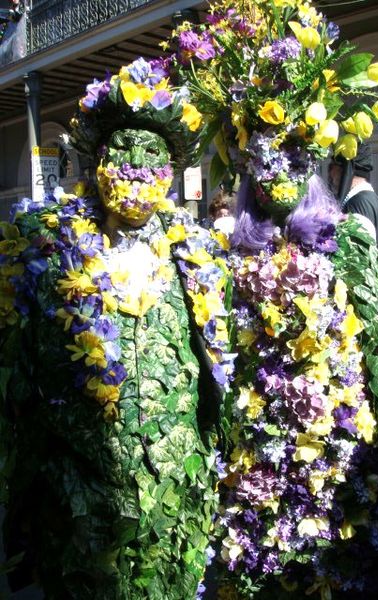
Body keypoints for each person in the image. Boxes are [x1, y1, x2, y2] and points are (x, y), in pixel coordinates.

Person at [173, 2, 378, 598]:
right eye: (262, 160)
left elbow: (366, 350)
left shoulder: (344, 244)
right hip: (254, 446)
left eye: (292, 159)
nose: (277, 176)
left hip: (326, 440)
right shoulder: (222, 259)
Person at [0, 57, 229, 599]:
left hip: (176, 496)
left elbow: (215, 372)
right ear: (96, 161)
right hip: (81, 506)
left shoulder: (196, 258)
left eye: (151, 157)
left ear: (171, 171)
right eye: (121, 153)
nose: (133, 170)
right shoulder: (44, 251)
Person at [328, 143, 378, 266]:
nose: (331, 173)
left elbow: (352, 266)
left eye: (332, 166)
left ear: (345, 170)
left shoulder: (355, 205)